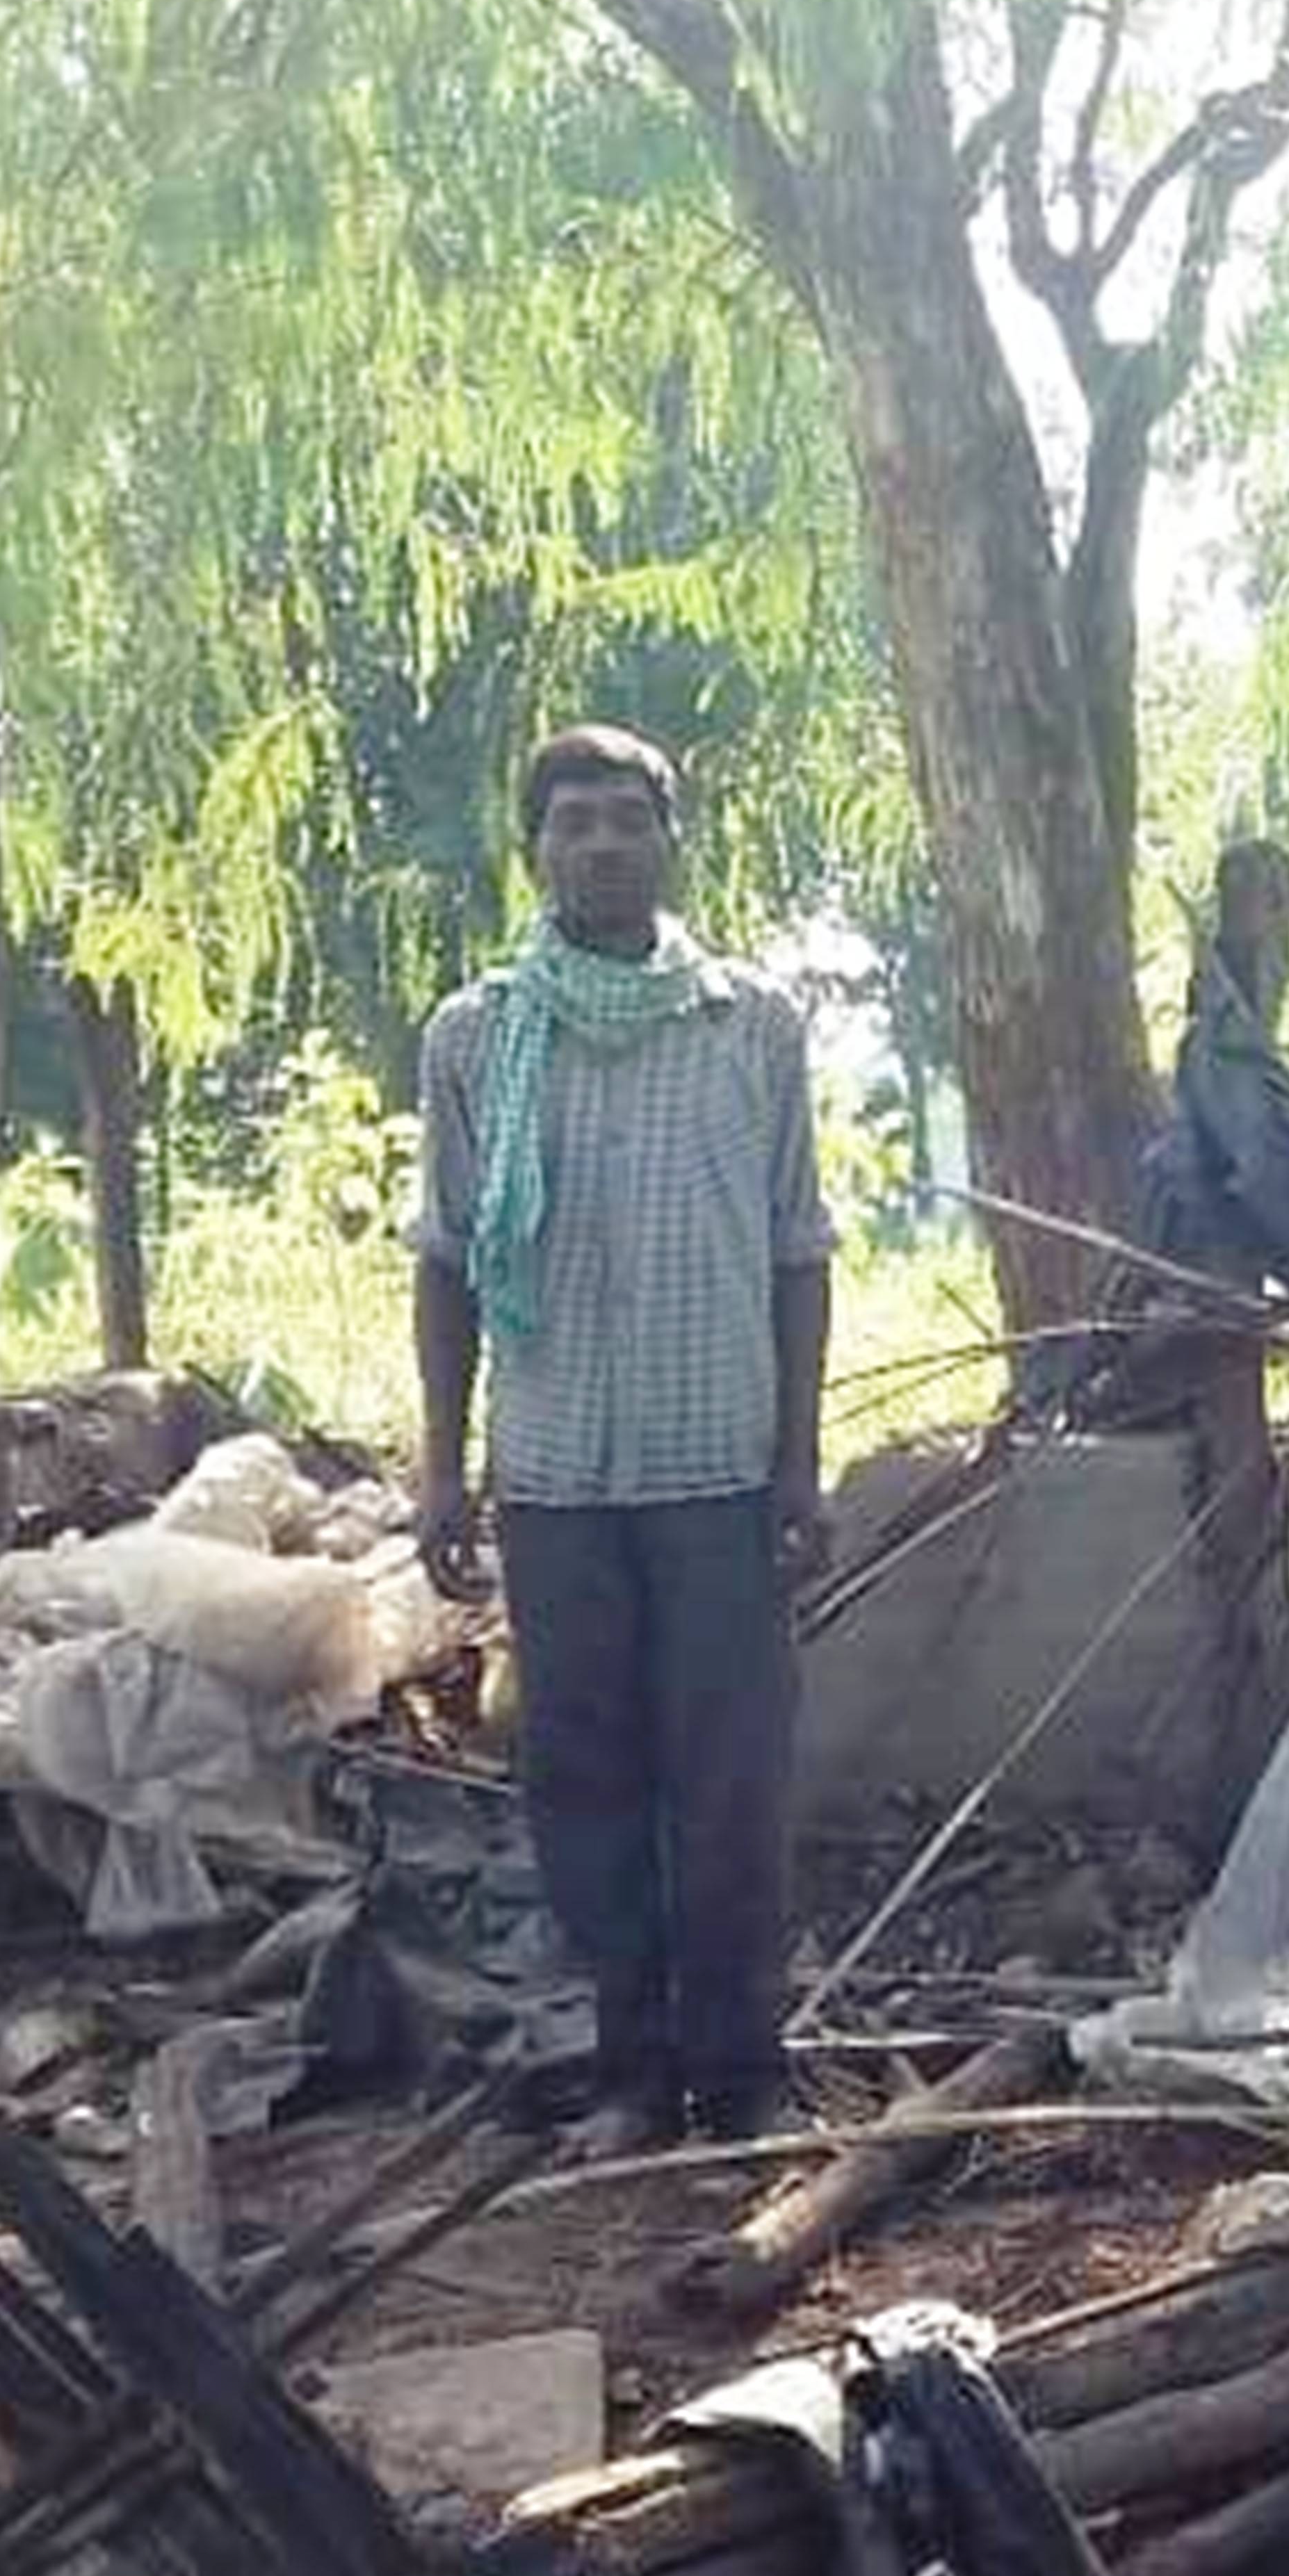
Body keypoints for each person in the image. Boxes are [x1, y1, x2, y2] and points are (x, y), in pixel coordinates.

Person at [411, 724, 835, 2151]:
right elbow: (448, 1257)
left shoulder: (750, 1025)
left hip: (717, 1466)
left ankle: (746, 2068)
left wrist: (800, 1462)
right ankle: (636, 2070)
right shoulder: (476, 1037)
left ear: (671, 839)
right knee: (584, 1781)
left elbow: (797, 1250)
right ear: (533, 851)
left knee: (731, 1783)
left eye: (626, 818)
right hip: (554, 1477)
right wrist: (436, 1461)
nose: (600, 843)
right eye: (572, 822)